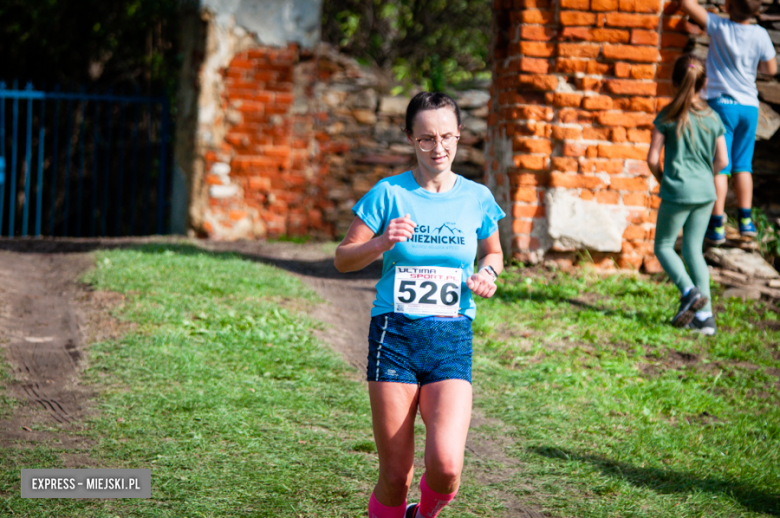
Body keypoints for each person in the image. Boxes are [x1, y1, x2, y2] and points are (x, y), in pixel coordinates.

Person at [334, 92, 505, 518]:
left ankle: (422, 515)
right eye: (427, 138)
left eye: (447, 137)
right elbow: (343, 258)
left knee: (446, 467)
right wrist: (382, 241)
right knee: (396, 475)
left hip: (451, 338)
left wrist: (489, 275)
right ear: (410, 138)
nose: (439, 148)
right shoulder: (389, 193)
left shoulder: (477, 197)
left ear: (460, 135)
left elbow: (494, 253)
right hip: (396, 336)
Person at [679, 0, 777, 244]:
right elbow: (770, 69)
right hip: (749, 108)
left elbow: (686, 4)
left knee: (720, 165)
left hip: (722, 106)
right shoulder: (760, 34)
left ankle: (717, 224)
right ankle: (746, 221)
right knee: (743, 165)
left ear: (728, 5)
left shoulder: (719, 26)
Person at [647, 55, 729, 336]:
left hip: (676, 191)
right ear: (703, 84)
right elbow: (723, 160)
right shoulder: (712, 117)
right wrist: (706, 176)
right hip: (706, 192)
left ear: (673, 81)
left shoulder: (667, 116)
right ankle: (705, 319)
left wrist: (664, 179)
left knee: (664, 246)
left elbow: (651, 158)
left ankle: (688, 291)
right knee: (694, 251)